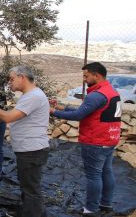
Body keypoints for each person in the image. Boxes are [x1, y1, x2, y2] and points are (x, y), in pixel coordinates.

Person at [50, 62, 121, 216]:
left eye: (86, 76)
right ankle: (106, 204)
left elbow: (78, 115)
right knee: (106, 172)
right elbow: (87, 111)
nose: (84, 79)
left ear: (97, 75)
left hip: (95, 140)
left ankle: (90, 209)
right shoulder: (111, 91)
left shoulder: (96, 95)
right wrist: (62, 107)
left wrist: (54, 111)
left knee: (94, 175)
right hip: (110, 138)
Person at [0, 65, 50, 217]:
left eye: (12, 79)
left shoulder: (33, 96)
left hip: (32, 150)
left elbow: (7, 117)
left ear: (22, 77)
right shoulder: (29, 95)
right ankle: (31, 211)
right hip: (28, 149)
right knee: (28, 187)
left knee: (31, 189)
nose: (9, 83)